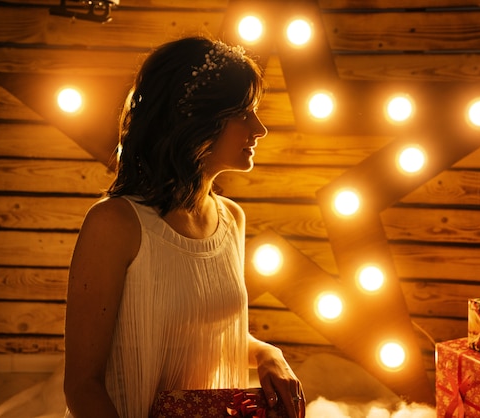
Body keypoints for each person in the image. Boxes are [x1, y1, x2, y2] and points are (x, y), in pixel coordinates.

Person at [63, 36, 305, 418]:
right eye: (243, 112)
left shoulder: (231, 219)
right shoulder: (115, 224)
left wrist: (266, 353)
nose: (259, 128)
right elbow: (81, 386)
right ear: (194, 120)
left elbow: (196, 334)